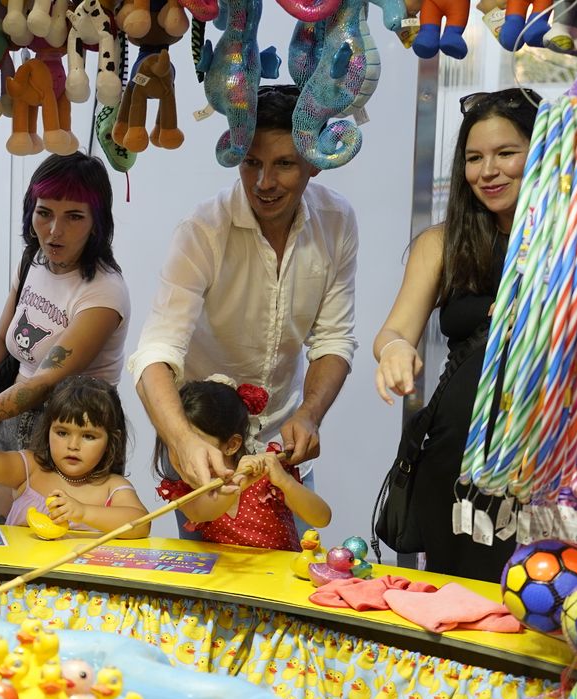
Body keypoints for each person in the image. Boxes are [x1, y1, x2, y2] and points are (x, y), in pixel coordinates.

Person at [128, 84, 358, 500]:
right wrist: (182, 440)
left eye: (284, 163)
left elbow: (333, 340)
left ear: (316, 162)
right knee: (204, 565)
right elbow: (155, 353)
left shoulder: (337, 219)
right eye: (251, 163)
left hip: (280, 446)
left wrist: (309, 415)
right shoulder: (203, 229)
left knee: (286, 557)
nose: (264, 182)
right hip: (203, 438)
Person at [373, 88, 538, 578]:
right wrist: (396, 350)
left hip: (542, 458)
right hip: (455, 457)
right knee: (457, 594)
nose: (488, 171)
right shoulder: (442, 242)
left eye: (506, 153)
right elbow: (394, 330)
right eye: (474, 158)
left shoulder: (576, 240)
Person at [0, 152, 129, 522]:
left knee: (60, 543)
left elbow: (45, 381)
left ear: (97, 223)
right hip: (11, 411)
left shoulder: (104, 292)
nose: (54, 230)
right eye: (44, 213)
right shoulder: (33, 260)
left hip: (71, 432)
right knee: (2, 535)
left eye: (74, 216)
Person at [0, 376, 148, 535]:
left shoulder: (113, 486)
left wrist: (83, 512)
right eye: (62, 433)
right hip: (17, 591)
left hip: (79, 596)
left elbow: (141, 523)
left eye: (89, 436)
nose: (73, 445)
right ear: (47, 430)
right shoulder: (31, 468)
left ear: (112, 440)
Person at [156, 378, 333, 551]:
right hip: (224, 578)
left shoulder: (264, 478)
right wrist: (236, 485)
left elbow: (322, 518)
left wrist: (285, 482)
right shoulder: (188, 485)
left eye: (198, 442)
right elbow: (200, 513)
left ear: (231, 445)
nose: (189, 453)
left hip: (277, 577)